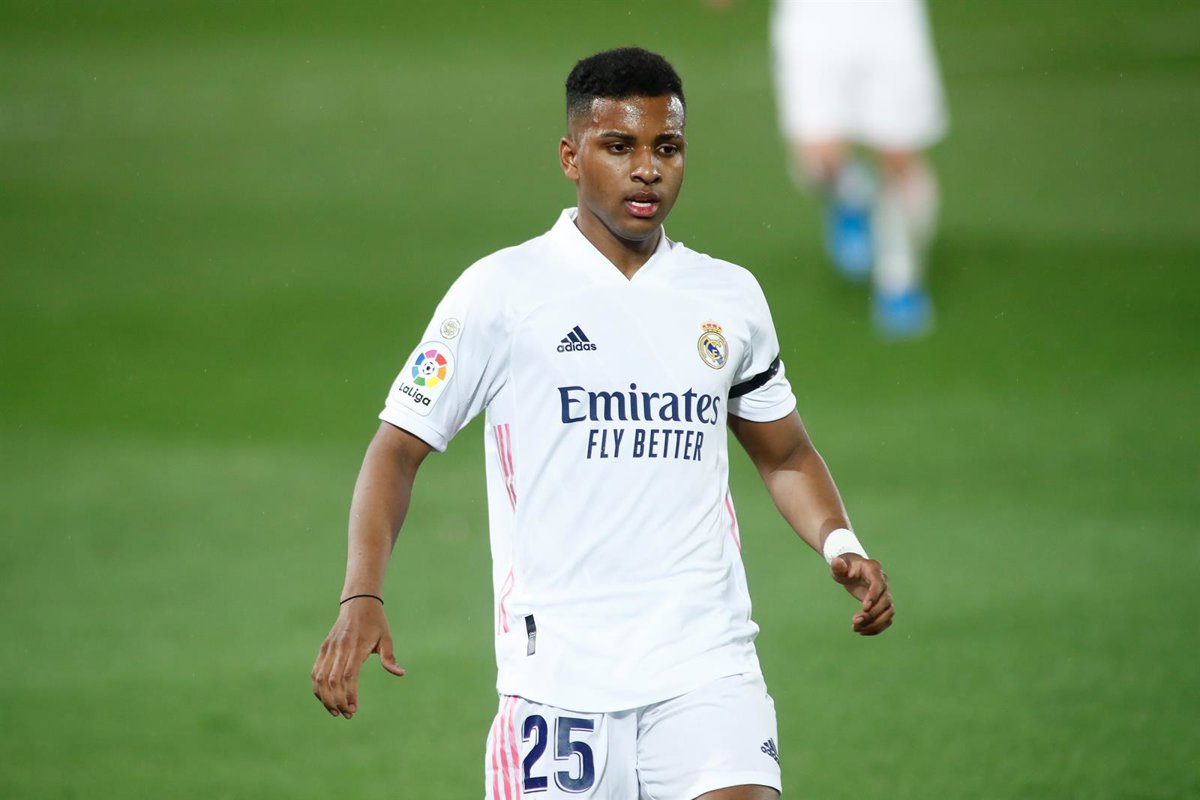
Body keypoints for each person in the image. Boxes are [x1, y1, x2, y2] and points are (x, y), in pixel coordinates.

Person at [311, 47, 894, 800]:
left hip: (708, 665)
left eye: (667, 148)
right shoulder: (503, 292)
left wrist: (840, 543)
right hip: (560, 681)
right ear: (570, 156)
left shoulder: (728, 298)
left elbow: (784, 455)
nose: (647, 170)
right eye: (620, 147)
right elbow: (395, 450)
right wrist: (361, 594)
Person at [770, 0, 948, 338]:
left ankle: (899, 278)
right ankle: (851, 195)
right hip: (812, 18)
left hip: (888, 19)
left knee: (898, 153)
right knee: (818, 160)